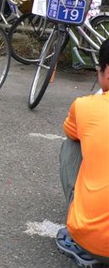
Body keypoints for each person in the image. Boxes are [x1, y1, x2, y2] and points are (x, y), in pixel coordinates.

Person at [56, 37, 109, 267]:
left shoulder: (86, 106)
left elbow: (72, 133)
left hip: (97, 245)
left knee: (72, 142)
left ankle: (80, 237)